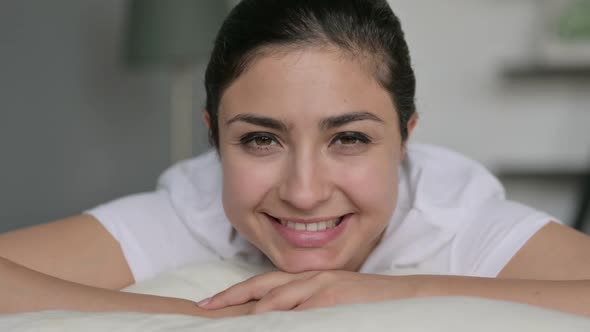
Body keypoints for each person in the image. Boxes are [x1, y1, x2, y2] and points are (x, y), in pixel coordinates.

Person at [2, 0, 590, 318]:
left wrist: (401, 293)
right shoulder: (193, 210)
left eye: (350, 139)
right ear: (213, 137)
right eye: (260, 140)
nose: (304, 192)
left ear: (405, 138)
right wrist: (192, 319)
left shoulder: (454, 216)